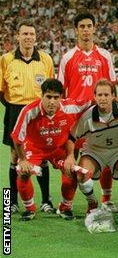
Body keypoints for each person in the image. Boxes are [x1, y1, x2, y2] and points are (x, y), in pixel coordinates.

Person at [58, 12, 117, 209]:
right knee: (71, 159)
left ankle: (106, 201)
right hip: (75, 117)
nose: (85, 30)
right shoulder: (68, 57)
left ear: (94, 28)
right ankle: (67, 204)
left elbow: (112, 87)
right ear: (76, 30)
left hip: (100, 115)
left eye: (88, 26)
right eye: (81, 26)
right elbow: (60, 90)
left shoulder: (105, 56)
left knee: (105, 155)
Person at [11, 79, 90, 221]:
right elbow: (17, 138)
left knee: (70, 171)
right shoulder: (29, 111)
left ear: (61, 97)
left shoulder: (71, 106)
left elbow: (94, 100)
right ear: (42, 96)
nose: (52, 102)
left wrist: (115, 99)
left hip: (58, 149)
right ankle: (30, 209)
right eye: (48, 97)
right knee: (23, 173)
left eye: (56, 97)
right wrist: (22, 160)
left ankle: (65, 208)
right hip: (34, 148)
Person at [0, 24, 55, 214]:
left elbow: (51, 90)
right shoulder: (6, 60)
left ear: (36, 37)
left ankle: (46, 200)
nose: (28, 37)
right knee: (15, 157)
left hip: (38, 112)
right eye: (24, 33)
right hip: (14, 110)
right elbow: (1, 91)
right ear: (18, 36)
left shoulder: (45, 59)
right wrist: (15, 108)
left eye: (31, 34)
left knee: (41, 156)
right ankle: (12, 201)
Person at [72, 80, 118, 216]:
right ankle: (92, 202)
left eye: (106, 95)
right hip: (94, 151)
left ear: (113, 96)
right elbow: (72, 137)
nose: (103, 98)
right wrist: (70, 156)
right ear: (94, 97)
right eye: (99, 95)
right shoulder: (87, 117)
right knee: (82, 174)